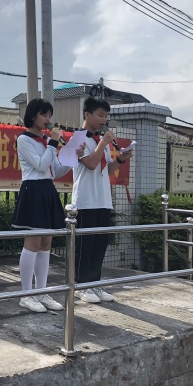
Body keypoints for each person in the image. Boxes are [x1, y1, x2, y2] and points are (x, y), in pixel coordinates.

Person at [13, 98, 82, 313]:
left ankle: (41, 292)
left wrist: (73, 158)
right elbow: (41, 165)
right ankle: (26, 295)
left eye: (49, 115)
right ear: (33, 116)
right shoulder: (24, 139)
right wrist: (53, 143)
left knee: (46, 243)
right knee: (32, 243)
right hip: (33, 190)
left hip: (47, 190)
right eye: (44, 115)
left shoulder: (45, 140)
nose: (48, 119)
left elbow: (55, 170)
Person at [72, 96, 133, 303]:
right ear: (87, 114)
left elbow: (105, 169)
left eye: (106, 116)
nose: (104, 119)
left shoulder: (100, 141)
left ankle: (94, 284)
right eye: (100, 115)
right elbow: (90, 164)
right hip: (85, 200)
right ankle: (80, 285)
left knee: (99, 245)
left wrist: (120, 159)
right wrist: (103, 143)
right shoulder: (78, 139)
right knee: (85, 245)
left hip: (103, 200)